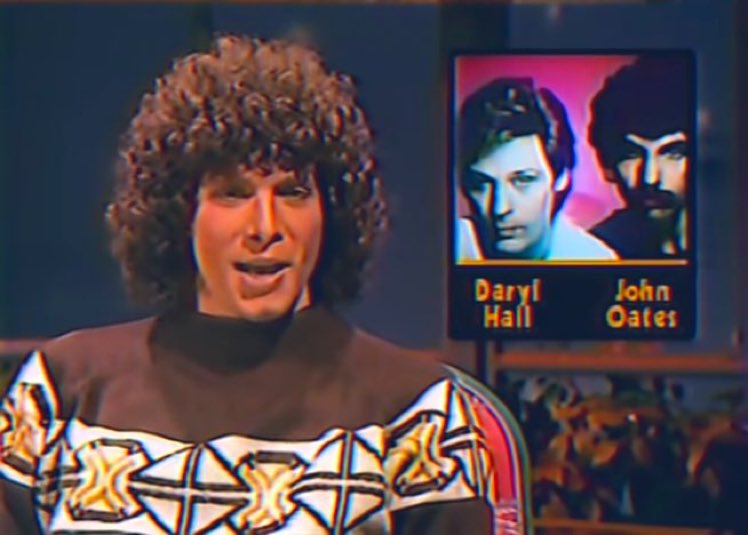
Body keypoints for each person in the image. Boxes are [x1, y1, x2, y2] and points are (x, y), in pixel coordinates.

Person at [0, 35, 495, 533]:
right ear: (180, 213)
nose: (265, 227)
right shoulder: (63, 390)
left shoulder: (417, 413)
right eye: (233, 194)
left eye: (293, 193)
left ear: (331, 213)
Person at [456, 77, 617, 262]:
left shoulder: (594, 261)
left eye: (523, 180)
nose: (500, 208)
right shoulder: (447, 247)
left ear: (560, 178)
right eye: (481, 185)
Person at [588, 57, 691, 258]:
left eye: (674, 154)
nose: (650, 178)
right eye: (631, 155)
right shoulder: (594, 254)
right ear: (607, 166)